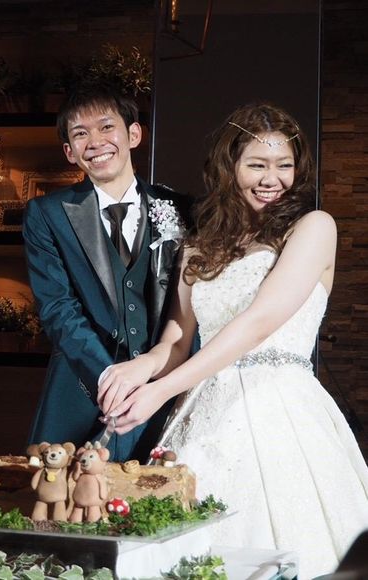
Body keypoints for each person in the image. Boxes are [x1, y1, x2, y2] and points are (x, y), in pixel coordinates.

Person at [97, 103, 368, 579]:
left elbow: (258, 322)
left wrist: (161, 390)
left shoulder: (314, 227)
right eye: (257, 165)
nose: (272, 179)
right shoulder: (199, 245)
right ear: (230, 166)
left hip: (283, 410)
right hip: (205, 407)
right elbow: (176, 339)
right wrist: (140, 370)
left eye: (284, 165)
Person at [22, 83, 192, 463]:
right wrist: (106, 377)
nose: (95, 142)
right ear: (70, 151)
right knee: (60, 494)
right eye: (80, 134)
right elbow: (57, 308)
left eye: (106, 127)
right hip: (80, 395)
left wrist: (150, 376)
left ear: (134, 134)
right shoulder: (46, 214)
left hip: (162, 395)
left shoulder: (183, 209)